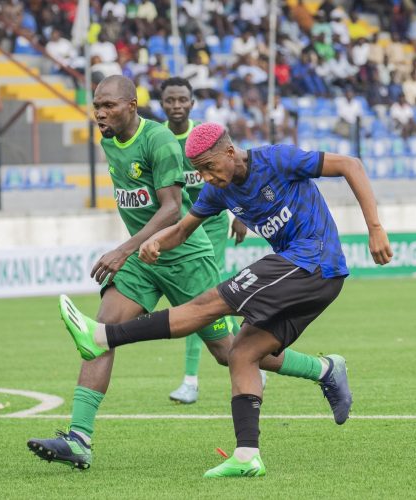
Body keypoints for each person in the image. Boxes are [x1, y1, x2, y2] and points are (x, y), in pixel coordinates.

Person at [27, 77, 348, 471]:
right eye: (97, 106)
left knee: (231, 353)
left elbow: (172, 210)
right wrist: (143, 248)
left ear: (132, 105)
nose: (100, 113)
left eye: (108, 105)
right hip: (147, 259)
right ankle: (78, 439)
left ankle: (321, 369)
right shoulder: (109, 142)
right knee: (101, 332)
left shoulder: (159, 141)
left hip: (186, 261)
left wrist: (124, 249)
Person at [159, 77, 248, 404]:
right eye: (170, 100)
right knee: (204, 302)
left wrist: (241, 214)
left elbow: (237, 169)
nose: (177, 105)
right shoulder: (159, 139)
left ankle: (191, 381)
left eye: (183, 99)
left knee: (203, 300)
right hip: (182, 228)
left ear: (192, 102)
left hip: (210, 226)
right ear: (162, 104)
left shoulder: (206, 137)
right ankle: (249, 353)